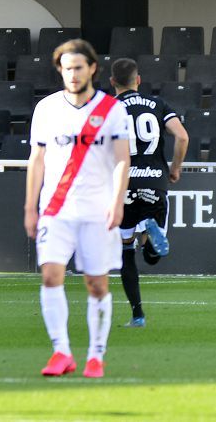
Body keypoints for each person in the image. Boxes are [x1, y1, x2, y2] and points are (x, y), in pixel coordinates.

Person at [24, 39, 131, 379]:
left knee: (96, 284)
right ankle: (61, 351)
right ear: (60, 70)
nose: (73, 74)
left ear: (92, 69)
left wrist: (117, 202)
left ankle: (96, 355)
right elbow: (37, 159)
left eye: (79, 67)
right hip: (55, 208)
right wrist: (30, 207)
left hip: (97, 210)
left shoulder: (112, 109)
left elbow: (121, 159)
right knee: (50, 276)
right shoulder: (47, 109)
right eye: (67, 68)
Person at [110, 57, 189, 327]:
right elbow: (182, 136)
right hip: (155, 181)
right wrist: (175, 169)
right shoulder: (157, 104)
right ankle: (150, 232)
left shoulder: (108, 108)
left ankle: (137, 315)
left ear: (112, 82)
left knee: (125, 252)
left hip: (123, 185)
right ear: (138, 80)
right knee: (152, 258)